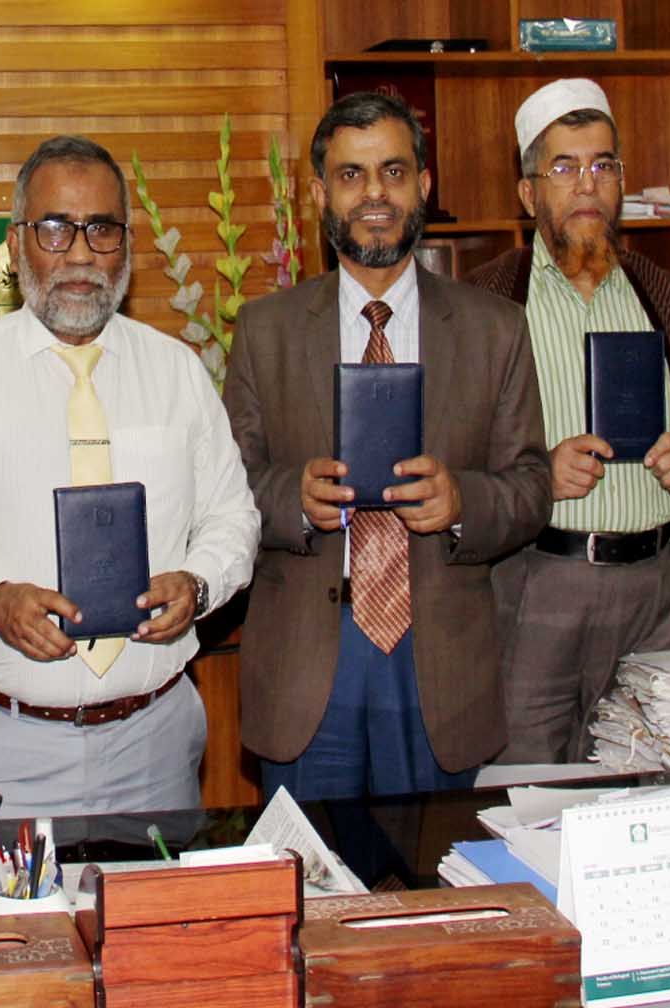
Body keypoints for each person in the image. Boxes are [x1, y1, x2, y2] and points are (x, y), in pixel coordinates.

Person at [0, 136, 259, 819]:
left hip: (156, 741)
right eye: (56, 228)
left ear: (128, 245)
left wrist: (199, 584)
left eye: (102, 229)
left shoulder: (176, 372)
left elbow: (232, 517)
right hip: (6, 745)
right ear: (16, 243)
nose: (81, 254)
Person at [224, 92, 552, 800]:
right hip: (309, 664)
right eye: (351, 175)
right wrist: (292, 498)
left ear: (423, 185)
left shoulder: (496, 328)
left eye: (394, 172)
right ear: (320, 194)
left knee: (435, 869)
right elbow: (230, 485)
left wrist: (463, 500)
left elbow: (532, 485)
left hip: (441, 668)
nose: (374, 194)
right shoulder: (265, 330)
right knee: (311, 869)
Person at [467, 79, 670, 763]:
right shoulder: (486, 303)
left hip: (654, 590)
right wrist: (537, 477)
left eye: (603, 165)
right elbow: (449, 469)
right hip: (535, 584)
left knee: (641, 785)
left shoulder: (663, 296)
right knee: (525, 789)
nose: (587, 185)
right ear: (528, 192)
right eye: (564, 167)